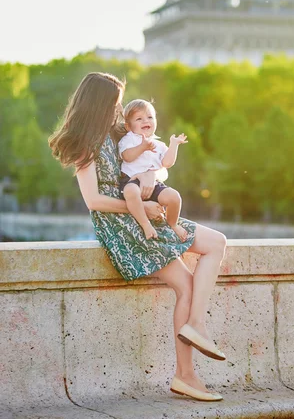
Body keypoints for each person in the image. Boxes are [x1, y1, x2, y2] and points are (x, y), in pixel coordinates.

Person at [49, 71, 227, 402]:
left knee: (216, 243)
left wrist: (149, 175)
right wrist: (142, 205)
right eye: (115, 102)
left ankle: (197, 326)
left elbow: (151, 160)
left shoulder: (118, 133)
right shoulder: (83, 143)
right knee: (186, 284)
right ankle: (186, 375)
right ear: (100, 103)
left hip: (143, 210)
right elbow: (93, 201)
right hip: (123, 225)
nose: (120, 108)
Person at [118, 98, 188, 243]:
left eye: (150, 117)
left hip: (154, 184)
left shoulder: (159, 144)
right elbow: (127, 156)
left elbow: (167, 163)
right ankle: (146, 225)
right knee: (130, 192)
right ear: (128, 126)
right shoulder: (128, 139)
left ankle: (172, 223)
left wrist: (173, 145)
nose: (146, 121)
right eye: (139, 118)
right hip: (132, 181)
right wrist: (142, 147)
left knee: (174, 197)